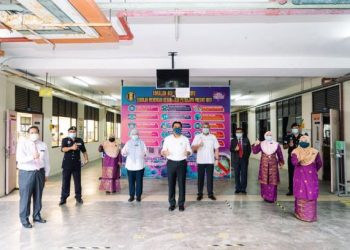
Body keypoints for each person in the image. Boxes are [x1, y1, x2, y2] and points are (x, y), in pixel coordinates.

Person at [16, 126, 50, 228]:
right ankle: (24, 219)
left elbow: (46, 160)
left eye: (35, 132)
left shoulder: (43, 145)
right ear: (28, 133)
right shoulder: (23, 143)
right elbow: (19, 159)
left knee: (38, 195)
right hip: (26, 173)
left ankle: (37, 216)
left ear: (39, 133)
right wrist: (32, 157)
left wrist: (46, 173)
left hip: (39, 172)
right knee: (25, 197)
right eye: (31, 132)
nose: (33, 134)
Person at [161, 121, 192, 211]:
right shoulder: (167, 139)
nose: (177, 128)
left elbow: (190, 151)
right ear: (172, 128)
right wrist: (164, 152)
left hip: (182, 163)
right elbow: (163, 151)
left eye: (179, 127)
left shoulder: (185, 139)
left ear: (181, 128)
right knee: (171, 184)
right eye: (175, 126)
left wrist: (188, 152)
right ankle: (172, 203)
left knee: (182, 184)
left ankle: (181, 204)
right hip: (171, 163)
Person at [291, 135, 322, 222]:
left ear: (309, 141)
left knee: (310, 194)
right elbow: (294, 163)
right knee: (301, 193)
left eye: (305, 140)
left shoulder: (314, 152)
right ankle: (300, 214)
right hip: (300, 177)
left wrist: (312, 171)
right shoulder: (296, 152)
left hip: (311, 177)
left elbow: (319, 163)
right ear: (299, 141)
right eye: (302, 140)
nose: (303, 142)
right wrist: (299, 159)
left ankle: (310, 216)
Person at [59, 126, 88, 205]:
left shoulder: (80, 140)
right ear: (68, 132)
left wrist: (86, 159)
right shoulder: (65, 140)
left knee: (77, 182)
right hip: (67, 164)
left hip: (76, 164)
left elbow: (84, 151)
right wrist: (71, 147)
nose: (72, 132)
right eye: (71, 131)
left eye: (74, 131)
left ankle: (78, 197)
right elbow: (63, 149)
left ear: (76, 132)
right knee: (65, 182)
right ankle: (63, 198)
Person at [252, 131, 284, 203]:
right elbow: (255, 151)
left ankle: (272, 197)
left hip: (273, 164)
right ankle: (265, 196)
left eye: (270, 135)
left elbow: (280, 154)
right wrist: (256, 144)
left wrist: (281, 162)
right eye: (267, 135)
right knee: (264, 180)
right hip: (264, 165)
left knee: (273, 180)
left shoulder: (276, 144)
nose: (269, 136)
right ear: (264, 136)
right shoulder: (261, 144)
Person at [191, 122, 220, 201]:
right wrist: (198, 145)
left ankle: (210, 194)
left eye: (207, 127)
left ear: (209, 128)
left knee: (210, 178)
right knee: (200, 178)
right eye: (204, 127)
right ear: (202, 128)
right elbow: (193, 148)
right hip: (201, 161)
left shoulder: (213, 137)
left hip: (210, 161)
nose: (205, 128)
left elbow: (216, 149)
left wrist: (217, 159)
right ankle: (200, 194)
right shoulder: (198, 137)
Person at [121, 129, 147, 202]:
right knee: (131, 182)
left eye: (136, 134)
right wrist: (124, 152)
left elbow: (146, 152)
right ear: (131, 135)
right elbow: (123, 152)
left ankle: (138, 196)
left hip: (140, 166)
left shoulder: (142, 143)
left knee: (139, 182)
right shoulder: (128, 143)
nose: (135, 135)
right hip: (130, 166)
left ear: (138, 135)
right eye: (133, 134)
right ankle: (131, 196)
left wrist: (143, 153)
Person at [283, 123, 303, 196]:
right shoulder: (288, 137)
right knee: (291, 174)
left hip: (301, 158)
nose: (295, 129)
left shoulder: (302, 137)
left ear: (299, 129)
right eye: (294, 128)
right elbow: (284, 147)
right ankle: (291, 190)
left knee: (300, 174)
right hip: (291, 158)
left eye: (297, 127)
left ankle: (300, 189)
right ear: (292, 129)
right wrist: (289, 145)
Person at [230, 128, 251, 194]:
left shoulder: (246, 140)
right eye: (237, 132)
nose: (238, 133)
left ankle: (243, 188)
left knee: (244, 174)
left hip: (244, 160)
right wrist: (235, 149)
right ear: (235, 133)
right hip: (236, 160)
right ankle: (238, 188)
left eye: (240, 132)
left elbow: (249, 150)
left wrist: (246, 158)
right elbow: (230, 149)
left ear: (242, 133)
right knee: (237, 174)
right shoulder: (233, 140)